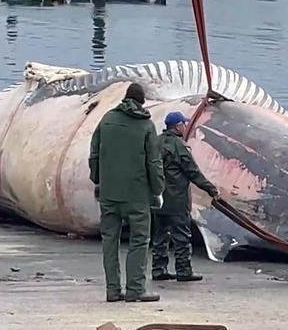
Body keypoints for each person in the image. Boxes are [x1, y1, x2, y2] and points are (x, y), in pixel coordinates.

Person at [89, 82, 164, 303]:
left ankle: (112, 290)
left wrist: (98, 180)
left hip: (109, 193)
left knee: (109, 241)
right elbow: (154, 162)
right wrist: (158, 189)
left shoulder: (107, 119)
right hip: (137, 194)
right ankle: (135, 289)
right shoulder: (146, 126)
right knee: (139, 240)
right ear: (142, 101)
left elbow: (94, 154)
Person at [151, 111, 220, 282]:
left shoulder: (155, 143)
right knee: (181, 236)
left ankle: (158, 270)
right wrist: (212, 190)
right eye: (184, 124)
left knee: (159, 236)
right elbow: (193, 172)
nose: (186, 127)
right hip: (177, 200)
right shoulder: (179, 146)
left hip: (157, 199)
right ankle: (183, 271)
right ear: (178, 126)